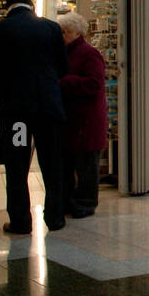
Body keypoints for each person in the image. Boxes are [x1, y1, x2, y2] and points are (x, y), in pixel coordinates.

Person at [0, 0, 68, 234]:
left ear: (8, 9)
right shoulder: (51, 28)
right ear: (31, 7)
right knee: (52, 163)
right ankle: (55, 218)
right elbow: (63, 67)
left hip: (17, 113)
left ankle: (20, 221)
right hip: (47, 111)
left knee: (17, 166)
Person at [57, 13, 107, 220]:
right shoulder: (64, 53)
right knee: (69, 163)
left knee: (87, 164)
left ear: (78, 33)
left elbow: (94, 84)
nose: (62, 36)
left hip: (87, 120)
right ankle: (71, 200)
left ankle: (86, 202)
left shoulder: (89, 54)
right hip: (71, 118)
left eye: (65, 32)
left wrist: (63, 81)